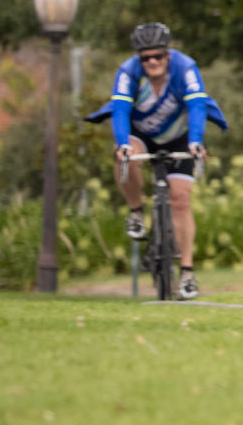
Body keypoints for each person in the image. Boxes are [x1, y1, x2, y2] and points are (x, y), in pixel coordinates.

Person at [85, 23, 228, 300]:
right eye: (145, 57)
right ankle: (136, 211)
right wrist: (123, 144)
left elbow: (197, 105)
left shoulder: (186, 68)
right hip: (140, 135)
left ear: (168, 54)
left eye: (158, 56)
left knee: (181, 200)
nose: (152, 62)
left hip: (178, 137)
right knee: (125, 155)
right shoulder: (128, 73)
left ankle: (186, 271)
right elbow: (120, 110)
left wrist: (196, 141)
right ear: (139, 59)